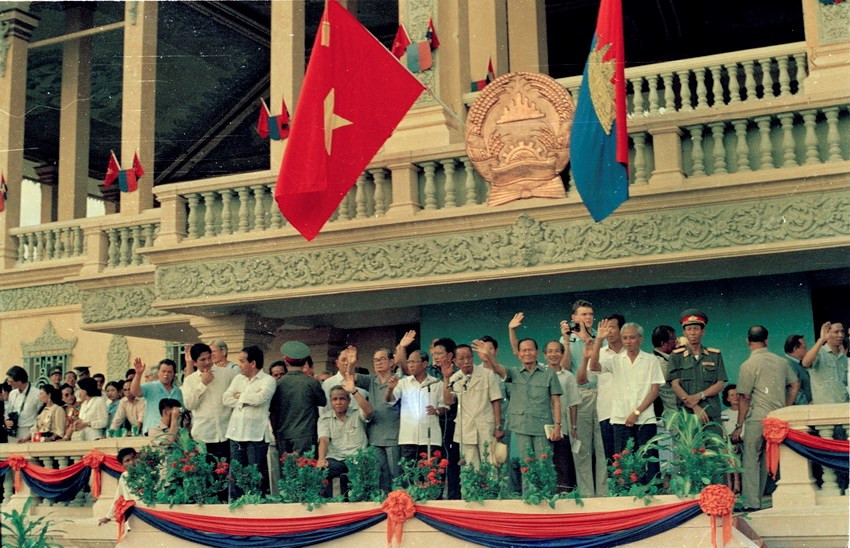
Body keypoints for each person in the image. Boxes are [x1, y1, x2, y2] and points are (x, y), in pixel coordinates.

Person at [733, 325, 800, 511]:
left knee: (751, 459)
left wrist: (739, 425)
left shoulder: (748, 365)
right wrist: (786, 407)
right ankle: (760, 499)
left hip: (757, 418)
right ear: (767, 340)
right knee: (767, 459)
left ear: (748, 342)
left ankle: (751, 502)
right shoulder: (781, 362)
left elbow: (744, 397)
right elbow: (795, 384)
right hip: (777, 419)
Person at [589, 321, 664, 482]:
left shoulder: (651, 360)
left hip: (645, 419)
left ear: (640, 339)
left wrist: (637, 412)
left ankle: (652, 495)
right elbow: (594, 366)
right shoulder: (616, 360)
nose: (628, 341)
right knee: (623, 463)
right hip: (620, 419)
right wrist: (598, 340)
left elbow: (654, 391)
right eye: (625, 338)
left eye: (632, 337)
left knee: (649, 460)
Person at [490, 315, 563, 464]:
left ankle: (544, 489)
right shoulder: (514, 373)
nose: (526, 353)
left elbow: (556, 402)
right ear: (519, 354)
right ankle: (528, 489)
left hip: (542, 426)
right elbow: (497, 368)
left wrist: (557, 426)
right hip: (521, 425)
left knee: (544, 464)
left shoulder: (549, 374)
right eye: (523, 351)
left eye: (530, 350)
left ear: (537, 352)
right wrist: (489, 355)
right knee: (526, 465)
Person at [563, 299, 607, 496]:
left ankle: (604, 494)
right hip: (580, 395)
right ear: (574, 318)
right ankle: (587, 495)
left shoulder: (601, 337)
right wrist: (566, 340)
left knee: (602, 446)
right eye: (583, 314)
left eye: (590, 314)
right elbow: (564, 369)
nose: (588, 317)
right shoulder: (567, 340)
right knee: (582, 449)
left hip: (602, 393)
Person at [223, 346, 276, 497]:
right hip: (236, 433)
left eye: (242, 361)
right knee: (236, 475)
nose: (239, 364)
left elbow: (260, 399)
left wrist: (239, 396)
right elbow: (225, 399)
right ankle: (235, 507)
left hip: (256, 435)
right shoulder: (238, 378)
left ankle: (254, 507)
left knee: (255, 475)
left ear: (252, 363)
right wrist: (246, 399)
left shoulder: (268, 380)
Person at [442, 343, 503, 469]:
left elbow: (496, 400)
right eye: (462, 358)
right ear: (455, 361)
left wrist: (498, 426)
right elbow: (448, 401)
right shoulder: (454, 378)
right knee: (469, 467)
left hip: (486, 426)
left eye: (469, 357)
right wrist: (446, 378)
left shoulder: (487, 374)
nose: (466, 361)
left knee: (490, 465)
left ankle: (491, 490)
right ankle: (471, 490)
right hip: (466, 428)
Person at [668, 309, 728, 433]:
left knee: (714, 450)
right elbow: (674, 384)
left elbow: (720, 384)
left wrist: (700, 396)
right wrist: (695, 406)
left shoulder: (714, 355)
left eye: (696, 328)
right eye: (689, 329)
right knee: (690, 451)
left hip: (711, 414)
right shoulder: (676, 356)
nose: (693, 332)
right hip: (688, 415)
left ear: (703, 331)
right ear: (684, 332)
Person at [387, 350, 446, 462]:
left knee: (431, 475)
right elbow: (389, 400)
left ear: (424, 364)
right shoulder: (403, 383)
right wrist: (390, 388)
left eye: (413, 362)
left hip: (430, 438)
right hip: (408, 438)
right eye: (409, 362)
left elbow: (444, 407)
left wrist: (436, 411)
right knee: (410, 475)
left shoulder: (436, 383)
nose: (410, 365)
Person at [317, 381, 373, 498]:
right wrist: (321, 458)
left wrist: (354, 391)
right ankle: (330, 505)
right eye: (334, 399)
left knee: (363, 479)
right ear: (331, 401)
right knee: (323, 469)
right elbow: (324, 440)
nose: (338, 402)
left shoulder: (357, 413)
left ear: (349, 400)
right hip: (337, 458)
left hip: (358, 458)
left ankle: (361, 503)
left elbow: (369, 411)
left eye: (342, 399)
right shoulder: (325, 418)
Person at [270, 341, 327, 455]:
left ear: (286, 361)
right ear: (304, 361)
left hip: (283, 435)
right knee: (305, 470)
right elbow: (323, 402)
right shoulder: (312, 383)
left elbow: (272, 411)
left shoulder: (277, 384)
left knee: (287, 470)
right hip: (305, 435)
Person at [183, 343, 237, 462]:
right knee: (207, 476)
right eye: (203, 359)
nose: (207, 362)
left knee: (228, 475)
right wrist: (203, 384)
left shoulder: (227, 374)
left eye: (209, 358)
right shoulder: (189, 381)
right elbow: (189, 405)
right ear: (195, 362)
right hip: (203, 436)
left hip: (226, 434)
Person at [544, 335, 581, 491]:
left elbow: (573, 404)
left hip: (563, 426)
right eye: (550, 352)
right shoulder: (540, 373)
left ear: (563, 353)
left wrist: (573, 427)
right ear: (545, 355)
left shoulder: (568, 376)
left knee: (562, 463)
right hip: (543, 426)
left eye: (557, 351)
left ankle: (564, 495)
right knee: (545, 462)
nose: (553, 354)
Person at [130, 358, 183, 435]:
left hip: (173, 432)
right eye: (163, 371)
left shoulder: (177, 391)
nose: (166, 374)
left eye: (169, 372)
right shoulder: (151, 386)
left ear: (174, 374)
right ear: (158, 373)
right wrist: (138, 374)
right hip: (154, 431)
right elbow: (134, 391)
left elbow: (182, 410)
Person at [802, 321, 849, 404]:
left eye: (842, 331)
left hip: (843, 405)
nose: (840, 335)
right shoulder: (819, 353)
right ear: (827, 334)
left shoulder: (844, 358)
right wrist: (822, 339)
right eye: (836, 332)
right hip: (824, 407)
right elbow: (805, 363)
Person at [98, 447, 138, 527]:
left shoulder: (147, 473)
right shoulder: (124, 476)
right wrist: (108, 517)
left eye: (133, 458)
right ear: (122, 465)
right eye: (127, 461)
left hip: (146, 511)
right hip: (132, 514)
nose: (132, 462)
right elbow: (118, 497)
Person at [4, 366, 41, 442]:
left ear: (19, 381)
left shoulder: (37, 393)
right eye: (8, 381)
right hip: (13, 431)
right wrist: (7, 420)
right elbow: (7, 411)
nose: (9, 384)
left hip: (28, 431)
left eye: (11, 382)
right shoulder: (12, 393)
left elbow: (40, 416)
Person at [651, 325, 679, 417]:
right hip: (672, 412)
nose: (676, 343)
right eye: (673, 341)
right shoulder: (661, 363)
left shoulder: (654, 358)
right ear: (663, 343)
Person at [721, 384, 742, 493]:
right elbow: (723, 430)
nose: (735, 397)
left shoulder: (744, 412)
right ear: (727, 398)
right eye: (732, 395)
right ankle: (730, 482)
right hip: (728, 443)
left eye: (737, 394)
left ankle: (736, 482)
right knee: (727, 451)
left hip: (741, 442)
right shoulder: (724, 414)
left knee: (734, 452)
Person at [784, 334, 812, 405]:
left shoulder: (797, 364)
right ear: (795, 348)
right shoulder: (789, 364)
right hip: (801, 410)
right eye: (804, 348)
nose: (807, 351)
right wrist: (805, 406)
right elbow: (795, 390)